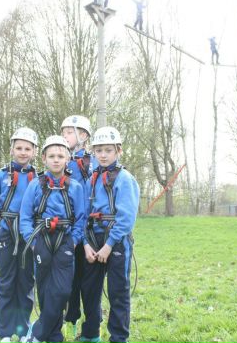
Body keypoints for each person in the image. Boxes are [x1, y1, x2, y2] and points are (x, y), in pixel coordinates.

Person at [20, 136, 86, 343]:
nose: (56, 160)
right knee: (45, 289)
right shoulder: (35, 185)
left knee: (63, 290)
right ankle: (54, 336)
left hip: (65, 240)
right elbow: (25, 217)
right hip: (41, 239)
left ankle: (37, 333)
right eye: (51, 156)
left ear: (67, 159)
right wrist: (32, 242)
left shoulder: (75, 187)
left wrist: (74, 241)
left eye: (60, 156)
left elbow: (81, 218)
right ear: (44, 158)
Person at [80, 127, 140, 343]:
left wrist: (109, 245)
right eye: (99, 151)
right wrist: (86, 243)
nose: (103, 155)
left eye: (108, 150)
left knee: (117, 292)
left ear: (118, 151)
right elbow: (84, 213)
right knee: (89, 289)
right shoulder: (91, 179)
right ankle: (90, 333)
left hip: (116, 242)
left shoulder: (125, 179)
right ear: (93, 152)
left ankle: (119, 338)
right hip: (93, 239)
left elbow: (126, 217)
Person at [0, 127, 39, 343]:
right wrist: (3, 226)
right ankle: (5, 332)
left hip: (29, 235)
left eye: (27, 149)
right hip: (7, 235)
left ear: (34, 151)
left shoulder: (39, 179)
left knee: (26, 282)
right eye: (19, 148)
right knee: (7, 282)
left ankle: (23, 329)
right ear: (11, 150)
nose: (23, 152)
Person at [60, 115, 95, 339]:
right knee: (70, 281)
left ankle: (92, 326)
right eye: (63, 132)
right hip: (69, 231)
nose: (64, 136)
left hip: (90, 232)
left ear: (82, 135)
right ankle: (71, 320)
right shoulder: (61, 160)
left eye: (68, 132)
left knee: (89, 283)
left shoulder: (93, 162)